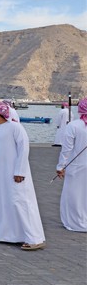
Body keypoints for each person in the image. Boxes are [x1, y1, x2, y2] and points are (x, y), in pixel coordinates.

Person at [0, 101, 45, 250]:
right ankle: (10, 235)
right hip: (2, 176)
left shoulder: (15, 127)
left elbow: (24, 150)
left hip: (16, 175)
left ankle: (34, 238)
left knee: (20, 203)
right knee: (5, 203)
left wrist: (19, 171)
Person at [55, 97, 87, 232]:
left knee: (73, 194)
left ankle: (75, 222)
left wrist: (60, 166)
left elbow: (66, 149)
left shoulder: (73, 126)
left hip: (76, 166)